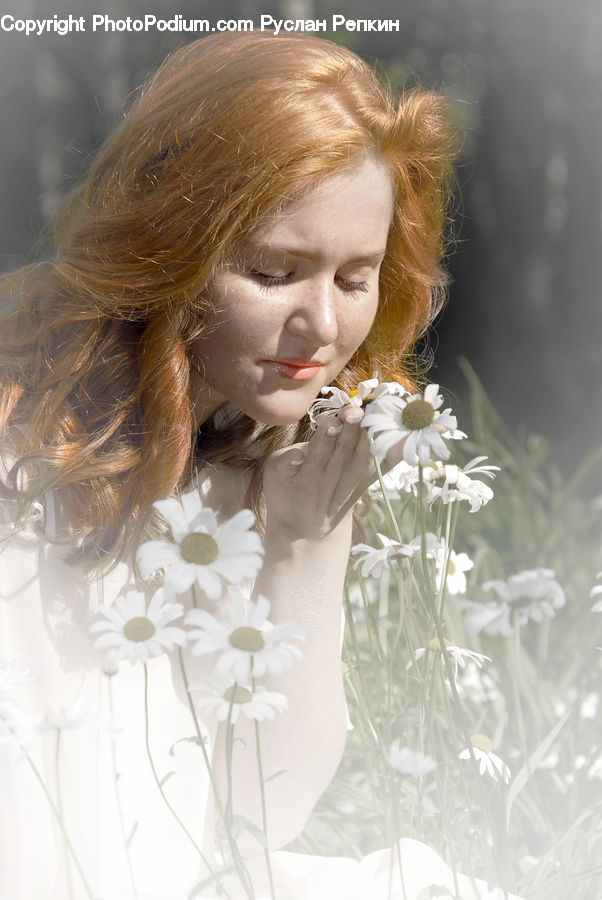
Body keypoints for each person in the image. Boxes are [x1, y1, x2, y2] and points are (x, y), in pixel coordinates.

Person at [0, 31, 520, 900]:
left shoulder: (271, 447)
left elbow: (260, 810)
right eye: (276, 271)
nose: (321, 327)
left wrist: (302, 545)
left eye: (356, 279)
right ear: (169, 245)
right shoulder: (30, 460)